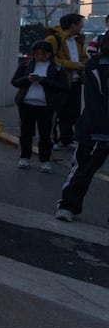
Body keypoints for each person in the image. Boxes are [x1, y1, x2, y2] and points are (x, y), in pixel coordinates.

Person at [55, 32, 109, 222]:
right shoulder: (96, 67)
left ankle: (68, 206)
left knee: (82, 170)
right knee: (82, 170)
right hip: (96, 129)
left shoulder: (94, 65)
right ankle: (67, 206)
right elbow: (98, 101)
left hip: (95, 128)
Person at [10, 40, 68, 173]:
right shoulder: (25, 65)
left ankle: (45, 160)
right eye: (37, 54)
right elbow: (15, 81)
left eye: (43, 54)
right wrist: (27, 79)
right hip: (26, 104)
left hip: (46, 106)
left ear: (49, 54)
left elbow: (63, 86)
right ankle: (24, 157)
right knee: (26, 133)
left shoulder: (57, 68)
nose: (40, 57)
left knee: (46, 134)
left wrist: (44, 81)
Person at [45, 13, 87, 150]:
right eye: (80, 23)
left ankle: (66, 139)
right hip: (59, 83)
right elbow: (51, 59)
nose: (82, 26)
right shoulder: (53, 39)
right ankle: (52, 140)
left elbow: (84, 57)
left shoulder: (78, 41)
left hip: (75, 82)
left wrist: (85, 64)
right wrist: (74, 65)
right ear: (72, 25)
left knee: (72, 112)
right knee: (56, 113)